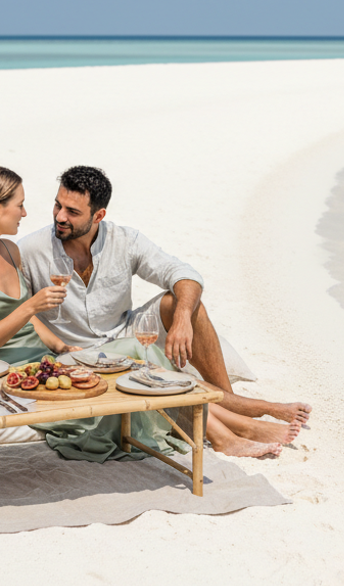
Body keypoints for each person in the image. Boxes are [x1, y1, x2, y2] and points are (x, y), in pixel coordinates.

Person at [17, 166, 310, 457]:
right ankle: (245, 418)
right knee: (155, 365)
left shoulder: (124, 240)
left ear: (98, 216)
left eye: (72, 211)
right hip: (76, 352)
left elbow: (184, 273)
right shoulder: (31, 250)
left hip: (124, 334)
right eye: (58, 205)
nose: (60, 216)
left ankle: (229, 399)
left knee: (182, 301)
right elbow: (18, 310)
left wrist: (182, 319)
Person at [0, 165, 189, 462]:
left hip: (49, 364)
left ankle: (224, 424)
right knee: (130, 370)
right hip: (13, 378)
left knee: (136, 358)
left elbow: (29, 320)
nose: (25, 213)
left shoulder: (9, 251)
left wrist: (62, 347)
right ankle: (221, 431)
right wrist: (32, 305)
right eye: (19, 205)